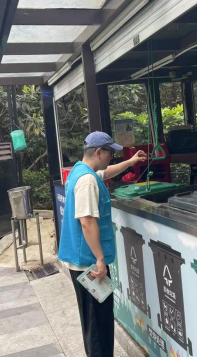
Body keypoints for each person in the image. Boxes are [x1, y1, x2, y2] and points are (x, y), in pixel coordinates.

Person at [58, 131, 147, 357]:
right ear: (99, 152)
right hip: (89, 264)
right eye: (110, 153)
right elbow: (87, 222)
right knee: (97, 324)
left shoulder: (81, 171)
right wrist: (99, 259)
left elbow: (106, 172)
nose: (111, 157)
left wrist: (131, 161)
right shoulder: (87, 181)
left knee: (98, 320)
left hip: (85, 260)